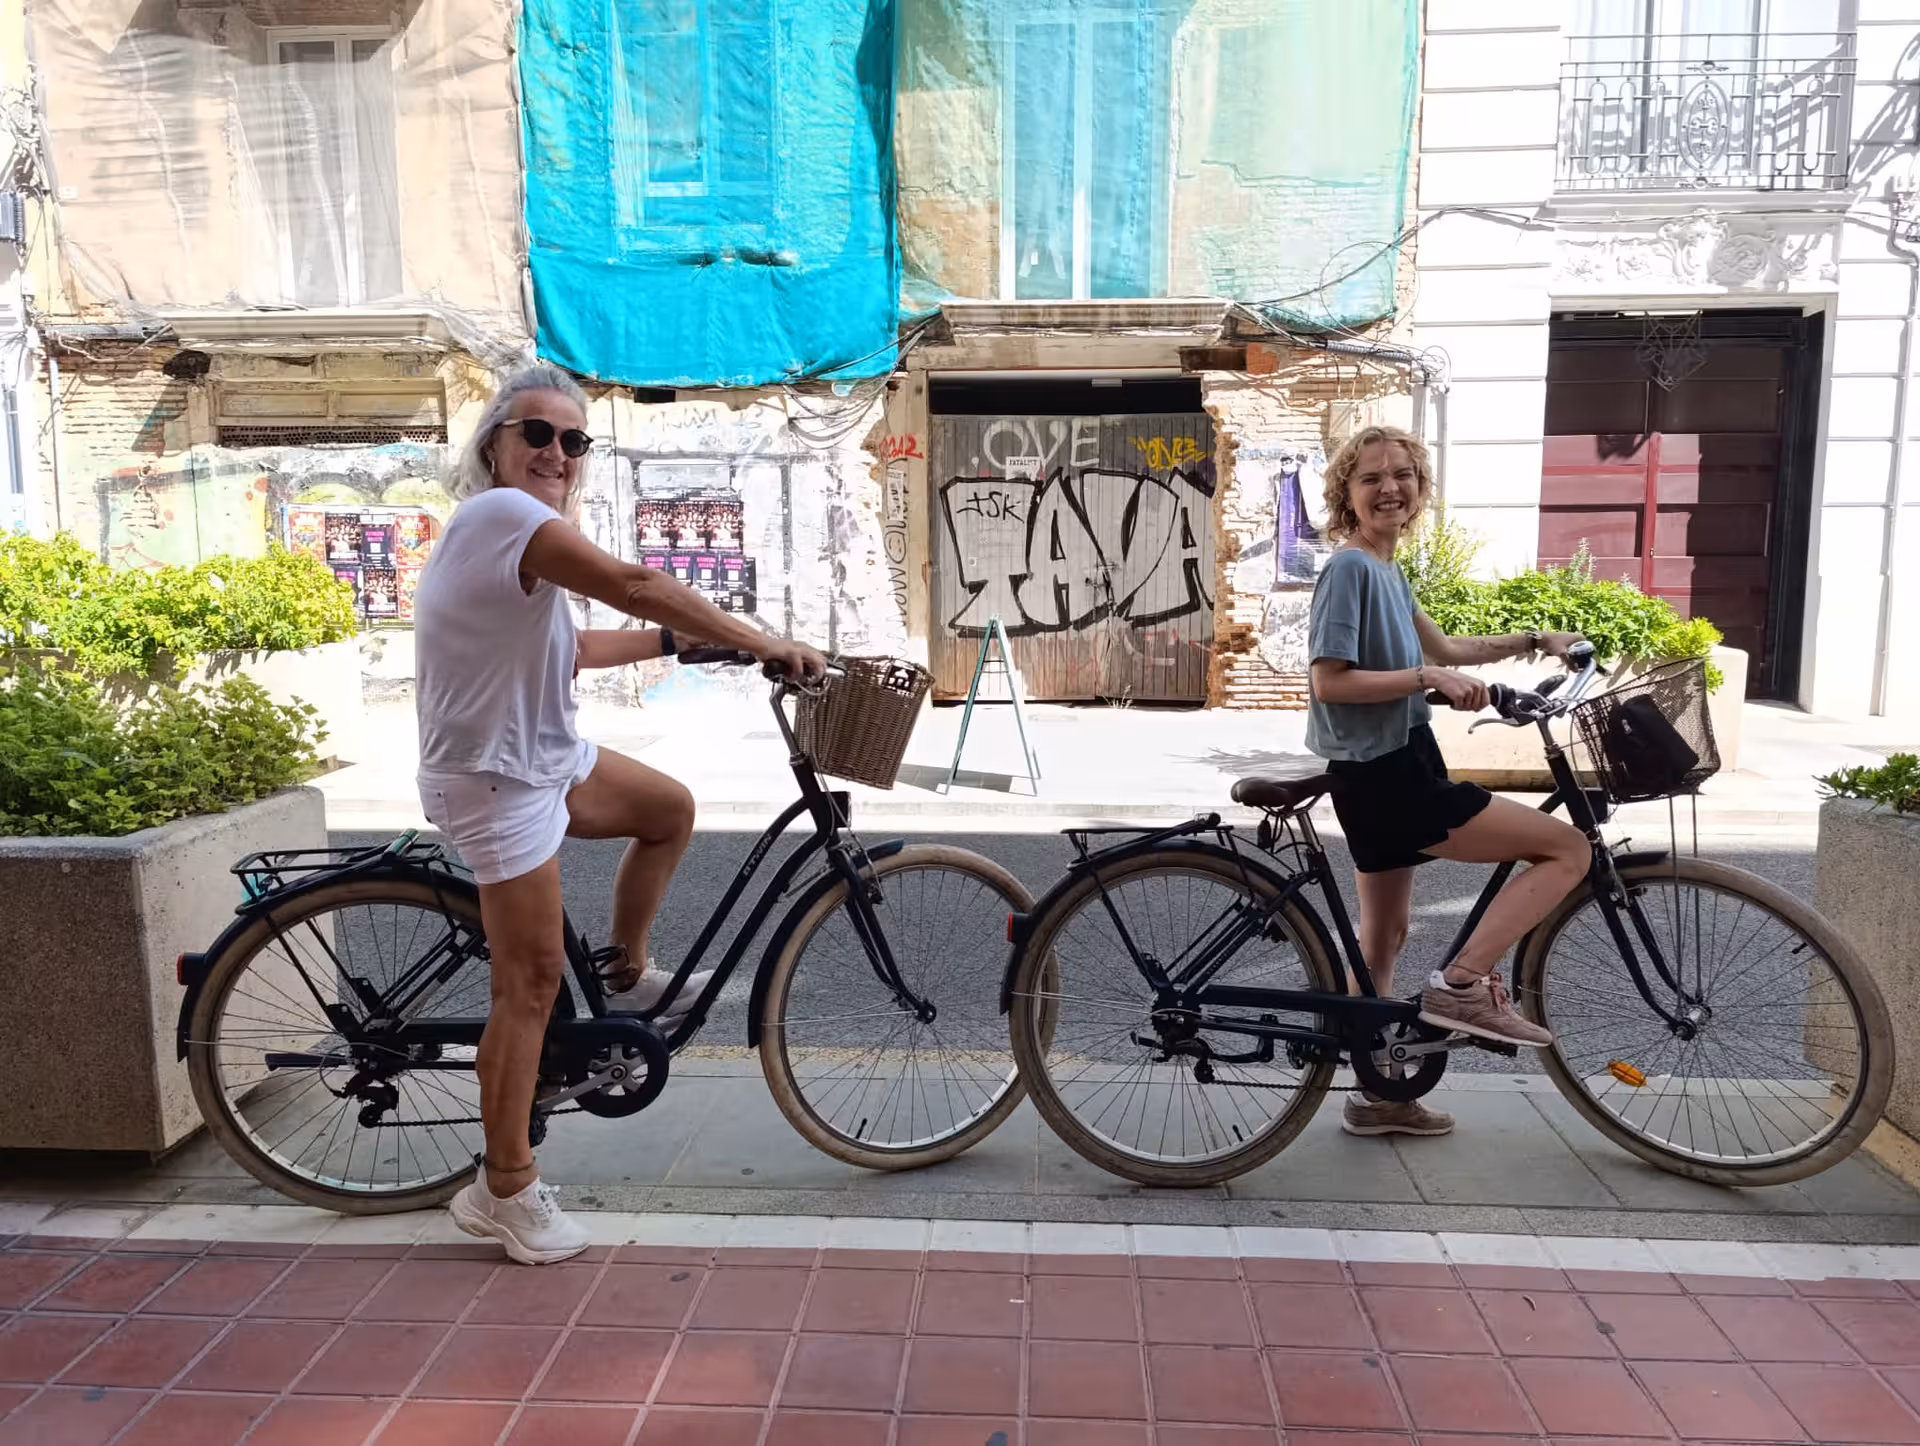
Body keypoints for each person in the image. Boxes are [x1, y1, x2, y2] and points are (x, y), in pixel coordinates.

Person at [412, 364, 825, 1264]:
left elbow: (575, 644)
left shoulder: (517, 534)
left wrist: (692, 641)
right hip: (496, 780)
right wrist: (763, 640)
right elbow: (632, 584)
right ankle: (505, 1191)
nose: (557, 453)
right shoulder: (501, 515)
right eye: (537, 434)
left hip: (543, 760)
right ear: (495, 446)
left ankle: (629, 968)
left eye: (574, 441)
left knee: (667, 809)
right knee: (526, 988)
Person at [1305, 425, 1588, 1139]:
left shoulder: (1387, 571)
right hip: (1388, 778)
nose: (1389, 488)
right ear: (1347, 493)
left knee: (1384, 939)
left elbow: (1452, 648)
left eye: (1402, 474)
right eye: (1370, 478)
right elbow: (1329, 682)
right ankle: (1463, 987)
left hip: (1393, 766)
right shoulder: (1349, 570)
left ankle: (1377, 1091)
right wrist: (1426, 679)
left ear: (1419, 488)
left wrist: (1533, 641)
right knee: (1568, 850)